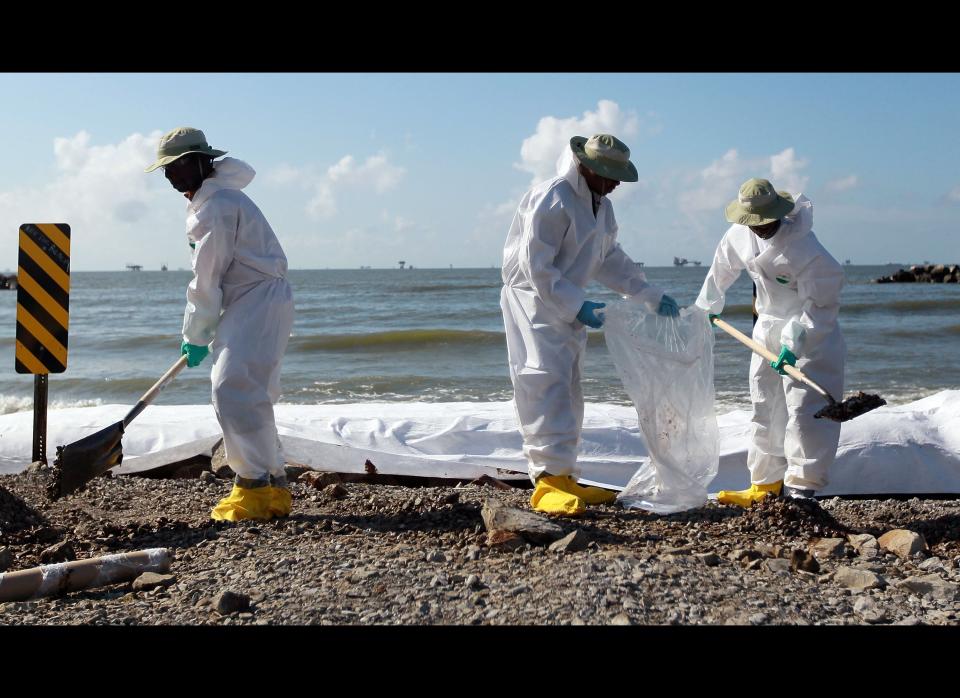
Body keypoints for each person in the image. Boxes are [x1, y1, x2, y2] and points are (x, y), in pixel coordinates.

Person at [500, 133, 680, 516]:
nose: (617, 183)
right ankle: (546, 481)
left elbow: (608, 258)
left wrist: (646, 293)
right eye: (611, 174)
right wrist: (576, 304)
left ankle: (565, 476)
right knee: (542, 382)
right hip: (533, 300)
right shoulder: (553, 197)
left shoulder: (601, 208)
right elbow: (536, 267)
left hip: (563, 302)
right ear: (589, 167)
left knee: (569, 387)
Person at [145, 127, 295, 521]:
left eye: (178, 166)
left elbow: (206, 277)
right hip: (257, 299)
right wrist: (201, 331)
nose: (172, 176)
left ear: (201, 161)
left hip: (257, 298)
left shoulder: (217, 206)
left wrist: (195, 335)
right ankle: (273, 485)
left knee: (230, 389)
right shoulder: (213, 199)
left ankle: (253, 489)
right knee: (253, 392)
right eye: (166, 170)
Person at [695, 178, 845, 507]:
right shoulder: (740, 234)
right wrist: (706, 307)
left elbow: (821, 309)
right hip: (766, 327)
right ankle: (764, 485)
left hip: (810, 335)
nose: (759, 229)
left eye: (764, 222)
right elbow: (721, 267)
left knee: (807, 413)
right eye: (753, 224)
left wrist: (794, 345)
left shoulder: (807, 251)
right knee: (764, 406)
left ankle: (802, 491)